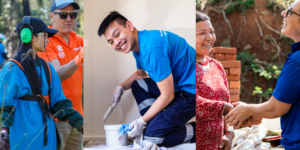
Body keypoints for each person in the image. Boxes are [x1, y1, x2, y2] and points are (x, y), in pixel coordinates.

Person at [98, 11, 196, 147]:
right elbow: (140, 75)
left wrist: (141, 121)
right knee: (138, 85)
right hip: (178, 88)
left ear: (129, 26)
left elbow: (168, 95)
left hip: (193, 93)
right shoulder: (140, 44)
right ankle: (159, 122)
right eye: (111, 42)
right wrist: (120, 87)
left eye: (117, 34)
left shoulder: (151, 48)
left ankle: (197, 130)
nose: (116, 43)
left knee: (152, 137)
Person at [225, 1, 300, 149]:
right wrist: (258, 110)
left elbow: (276, 108)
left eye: (290, 11)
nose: (282, 13)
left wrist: (248, 109)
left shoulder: (297, 61)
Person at [0, 17, 83, 150]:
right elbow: (3, 106)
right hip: (22, 140)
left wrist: (80, 123)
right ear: (30, 37)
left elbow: (59, 103)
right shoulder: (12, 69)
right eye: (44, 35)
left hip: (47, 141)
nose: (47, 39)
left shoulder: (48, 69)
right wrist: (2, 130)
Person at [37, 0, 84, 149]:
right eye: (63, 15)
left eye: (73, 15)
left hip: (78, 116)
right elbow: (55, 75)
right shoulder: (46, 41)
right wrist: (78, 60)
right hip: (57, 118)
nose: (69, 19)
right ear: (52, 16)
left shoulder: (80, 40)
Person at [195, 12, 235, 150]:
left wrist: (229, 134)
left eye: (211, 32)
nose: (209, 37)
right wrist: (224, 108)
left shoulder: (217, 66)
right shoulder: (185, 67)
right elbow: (191, 102)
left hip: (219, 145)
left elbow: (227, 101)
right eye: (202, 33)